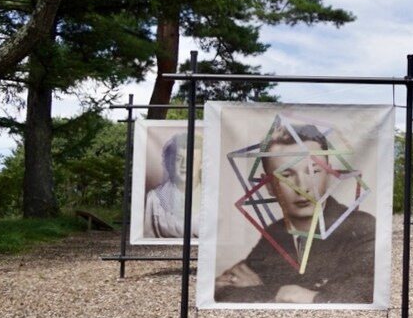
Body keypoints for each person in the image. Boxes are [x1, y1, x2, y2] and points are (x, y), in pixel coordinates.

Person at [214, 123, 378, 304]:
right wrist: (287, 293)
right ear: (268, 185)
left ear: (329, 174)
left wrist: (271, 290)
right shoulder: (275, 232)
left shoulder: (363, 228)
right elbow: (227, 290)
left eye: (313, 171)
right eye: (286, 175)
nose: (302, 187)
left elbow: (358, 297)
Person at [145, 131, 200, 239]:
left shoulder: (212, 198)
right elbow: (148, 237)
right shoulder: (154, 199)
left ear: (201, 163)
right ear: (170, 162)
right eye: (178, 159)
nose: (184, 165)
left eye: (191, 159)